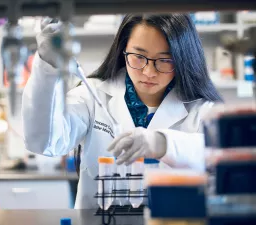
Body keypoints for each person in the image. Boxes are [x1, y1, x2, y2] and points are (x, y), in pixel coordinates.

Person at [22, 14, 222, 209]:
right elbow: (44, 141)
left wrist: (164, 144)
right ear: (123, 50)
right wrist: (47, 65)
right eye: (138, 57)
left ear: (182, 60)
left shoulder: (202, 110)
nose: (149, 72)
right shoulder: (93, 95)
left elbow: (220, 158)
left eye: (165, 60)